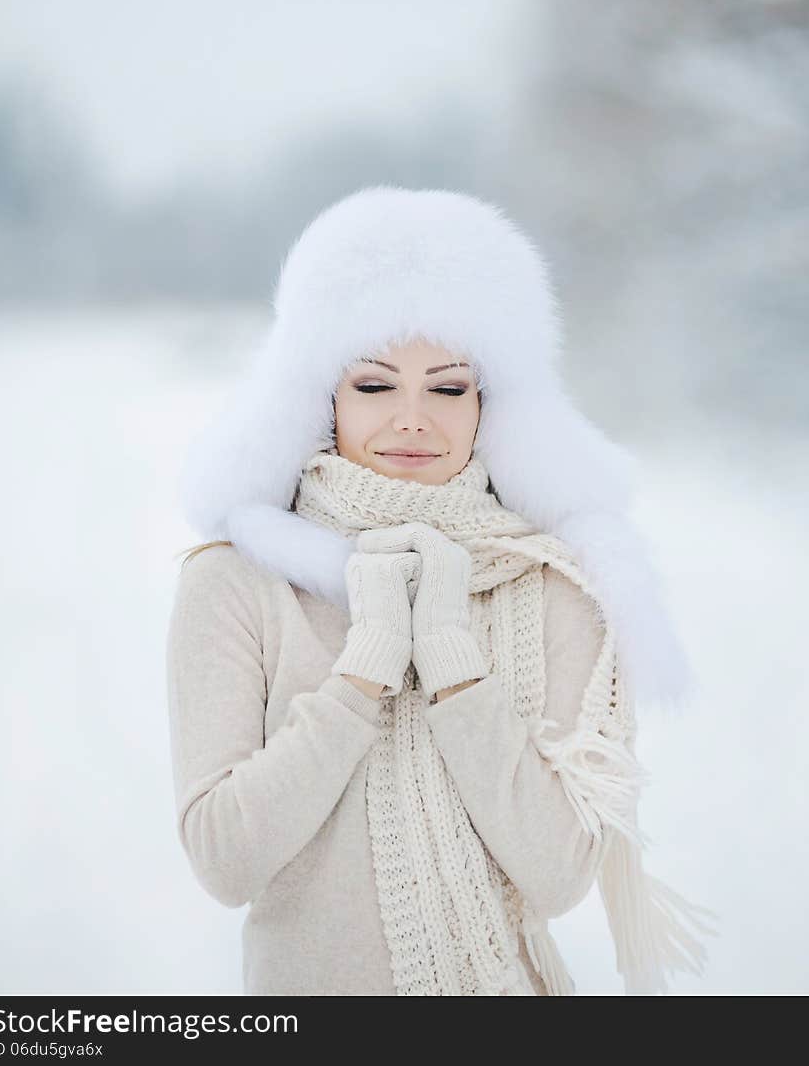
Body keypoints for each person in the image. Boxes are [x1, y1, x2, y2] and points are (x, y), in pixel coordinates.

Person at [166, 184, 718, 996]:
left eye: (449, 387)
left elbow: (559, 876)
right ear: (321, 395)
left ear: (492, 402)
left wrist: (455, 662)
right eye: (375, 385)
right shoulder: (236, 582)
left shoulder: (552, 583)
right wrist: (366, 670)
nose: (413, 419)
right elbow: (225, 858)